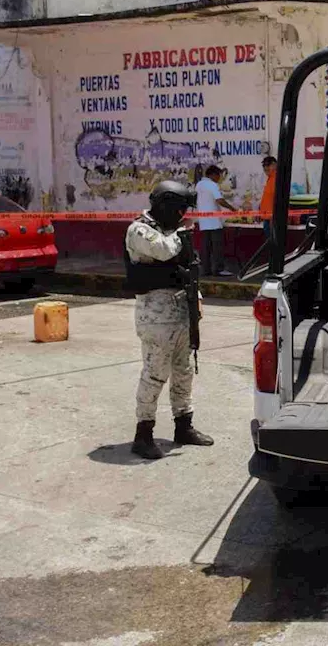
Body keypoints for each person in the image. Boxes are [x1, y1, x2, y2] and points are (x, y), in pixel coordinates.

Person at [124, 181, 214, 460]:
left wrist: (196, 298)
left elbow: (188, 269)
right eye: (179, 210)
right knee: (155, 374)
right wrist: (184, 234)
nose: (182, 215)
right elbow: (163, 250)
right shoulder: (140, 229)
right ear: (166, 206)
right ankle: (143, 434)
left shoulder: (175, 231)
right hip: (156, 318)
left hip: (181, 315)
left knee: (184, 371)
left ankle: (183, 426)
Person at [195, 165, 236, 277]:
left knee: (205, 247)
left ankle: (205, 269)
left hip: (203, 221)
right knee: (217, 247)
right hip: (214, 221)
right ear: (213, 175)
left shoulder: (199, 184)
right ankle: (218, 269)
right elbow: (220, 200)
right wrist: (232, 208)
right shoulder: (212, 185)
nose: (219, 178)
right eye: (218, 175)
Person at [257, 155, 277, 239]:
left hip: (272, 219)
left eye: (268, 165)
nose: (265, 168)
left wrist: (274, 217)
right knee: (270, 243)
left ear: (275, 165)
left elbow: (277, 199)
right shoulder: (270, 179)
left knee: (273, 244)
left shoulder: (276, 178)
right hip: (267, 218)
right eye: (264, 166)